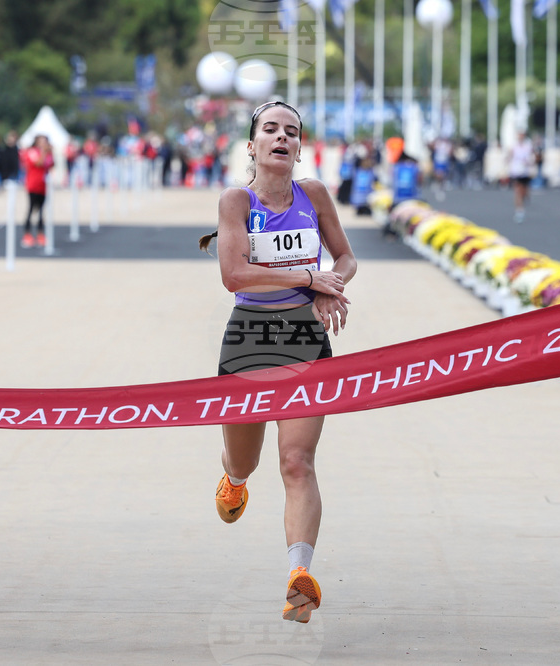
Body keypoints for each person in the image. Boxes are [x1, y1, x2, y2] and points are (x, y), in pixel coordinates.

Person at [198, 101, 356, 624]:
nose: (281, 137)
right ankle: (233, 478)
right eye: (270, 129)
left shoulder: (312, 195)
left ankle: (299, 576)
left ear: (298, 148)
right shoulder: (236, 201)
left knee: (297, 461)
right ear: (252, 146)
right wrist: (309, 280)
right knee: (246, 460)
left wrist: (331, 286)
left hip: (304, 338)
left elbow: (346, 258)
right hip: (248, 336)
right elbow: (235, 276)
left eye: (292, 131)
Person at [21, 135, 54, 248]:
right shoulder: (32, 152)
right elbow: (38, 163)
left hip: (43, 186)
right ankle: (27, 234)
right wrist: (44, 153)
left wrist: (49, 153)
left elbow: (51, 165)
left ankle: (40, 234)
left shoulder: (48, 153)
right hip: (33, 185)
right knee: (30, 209)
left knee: (41, 211)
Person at [508, 129, 535, 223]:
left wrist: (530, 162)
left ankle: (525, 198)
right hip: (516, 171)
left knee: (524, 190)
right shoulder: (514, 145)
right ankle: (519, 211)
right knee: (517, 190)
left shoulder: (528, 145)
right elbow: (510, 156)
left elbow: (532, 156)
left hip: (525, 171)